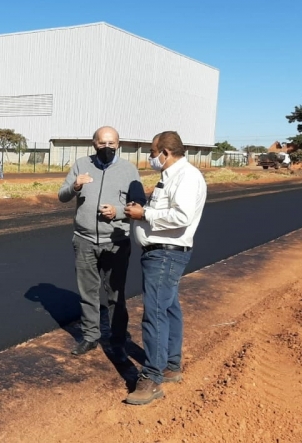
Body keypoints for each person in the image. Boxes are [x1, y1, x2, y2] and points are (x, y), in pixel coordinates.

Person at [124, 131, 207, 405]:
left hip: (165, 255)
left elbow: (181, 216)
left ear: (166, 153)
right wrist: (143, 211)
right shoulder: (171, 177)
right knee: (169, 309)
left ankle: (152, 377)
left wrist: (144, 214)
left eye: (152, 152)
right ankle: (171, 365)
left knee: (155, 313)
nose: (151, 158)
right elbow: (168, 210)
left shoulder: (186, 176)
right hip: (160, 253)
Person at [58, 126, 145, 360]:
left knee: (115, 293)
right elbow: (62, 195)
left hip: (116, 242)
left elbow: (138, 206)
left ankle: (118, 337)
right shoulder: (81, 165)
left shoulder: (128, 169)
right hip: (84, 240)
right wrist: (75, 186)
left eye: (111, 143)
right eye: (102, 143)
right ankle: (90, 336)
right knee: (88, 293)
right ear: (94, 143)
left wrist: (117, 212)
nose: (106, 147)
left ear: (119, 144)